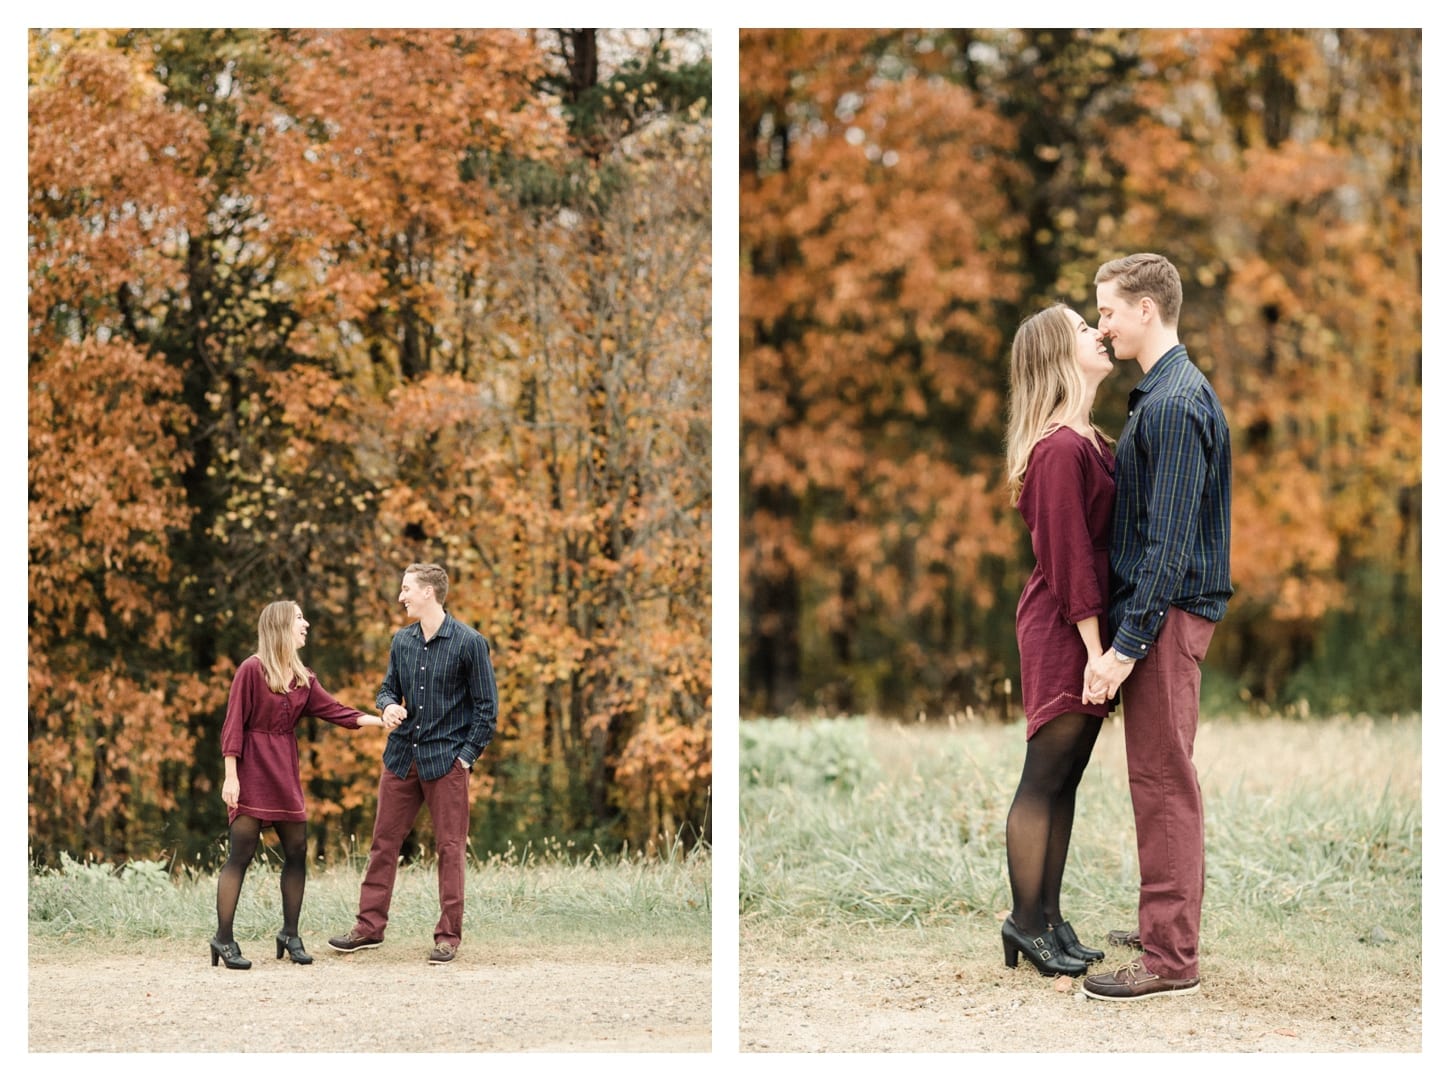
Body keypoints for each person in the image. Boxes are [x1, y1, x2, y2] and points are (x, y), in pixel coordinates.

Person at [1082, 253, 1232, 1001]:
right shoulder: (1164, 394)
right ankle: (1161, 926)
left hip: (1164, 618)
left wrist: (1123, 647)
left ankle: (1171, 958)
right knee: (1161, 775)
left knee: (1162, 779)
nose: (1102, 325)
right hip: (1166, 615)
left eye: (1107, 310)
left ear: (1146, 308)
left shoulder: (1173, 404)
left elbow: (1167, 544)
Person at [999, 303, 1117, 979]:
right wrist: (1098, 650)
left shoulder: (1090, 440)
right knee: (1043, 778)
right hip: (1065, 630)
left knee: (1065, 780)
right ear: (1057, 356)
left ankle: (1048, 917)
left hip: (1086, 627)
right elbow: (1070, 557)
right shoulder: (1058, 448)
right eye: (1080, 328)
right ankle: (1025, 918)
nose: (1096, 332)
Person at [328, 562, 498, 964]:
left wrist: (465, 758)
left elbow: (486, 710)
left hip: (447, 762)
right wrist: (387, 708)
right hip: (402, 758)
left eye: (406, 589)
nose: (401, 596)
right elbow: (387, 689)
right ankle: (368, 929)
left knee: (450, 848)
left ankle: (448, 937)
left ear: (429, 592)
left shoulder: (470, 643)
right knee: (383, 844)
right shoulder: (401, 641)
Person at [211, 600, 393, 970]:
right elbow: (232, 726)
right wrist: (231, 776)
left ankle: (290, 934)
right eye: (299, 619)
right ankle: (223, 939)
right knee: (240, 855)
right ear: (280, 626)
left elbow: (338, 712)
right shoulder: (251, 669)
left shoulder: (304, 678)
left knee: (297, 852)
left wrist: (383, 722)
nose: (306, 624)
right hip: (250, 772)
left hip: (284, 775)